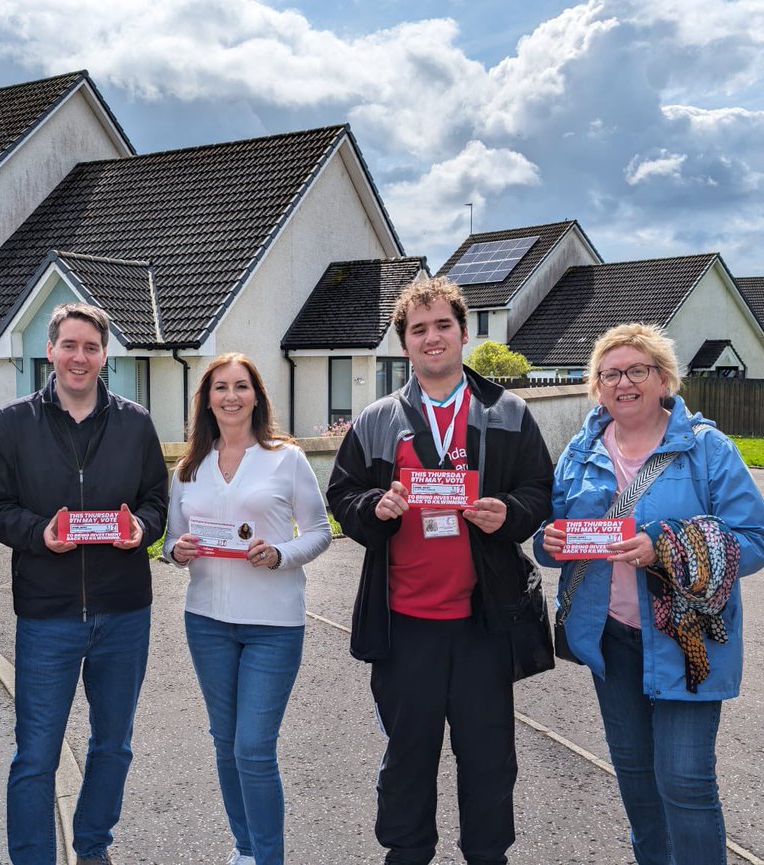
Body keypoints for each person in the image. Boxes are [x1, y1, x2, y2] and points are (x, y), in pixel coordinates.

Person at [326, 276, 553, 865]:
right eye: (418, 329)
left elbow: (538, 491)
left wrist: (510, 513)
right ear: (404, 343)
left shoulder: (508, 412)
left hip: (483, 623)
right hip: (405, 624)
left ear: (461, 332)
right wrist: (374, 509)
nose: (431, 338)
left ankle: (488, 854)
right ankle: (406, 852)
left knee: (489, 757)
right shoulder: (377, 419)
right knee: (408, 754)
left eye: (442, 326)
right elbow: (343, 495)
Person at [535, 323, 764, 865]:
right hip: (610, 639)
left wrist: (667, 547)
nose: (624, 382)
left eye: (638, 370)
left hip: (688, 641)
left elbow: (754, 540)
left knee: (684, 781)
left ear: (664, 380)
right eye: (610, 373)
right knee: (637, 785)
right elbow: (556, 535)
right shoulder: (581, 448)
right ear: (597, 386)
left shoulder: (708, 449)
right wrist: (550, 541)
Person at [0, 302, 169, 865]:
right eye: (69, 346)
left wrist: (141, 528)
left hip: (124, 612)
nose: (79, 357)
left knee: (113, 744)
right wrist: (42, 534)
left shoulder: (135, 421)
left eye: (91, 347)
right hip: (48, 613)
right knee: (36, 755)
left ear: (105, 354)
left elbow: (157, 501)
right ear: (51, 350)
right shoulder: (16, 421)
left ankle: (92, 847)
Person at [164, 353, 331, 865]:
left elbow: (321, 532)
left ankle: (268, 857)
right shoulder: (190, 467)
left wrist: (281, 554)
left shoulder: (286, 457)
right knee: (224, 742)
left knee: (253, 749)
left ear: (256, 395)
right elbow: (172, 540)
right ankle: (244, 849)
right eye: (220, 387)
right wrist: (177, 552)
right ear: (206, 399)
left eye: (241, 386)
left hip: (273, 624)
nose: (231, 396)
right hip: (207, 620)